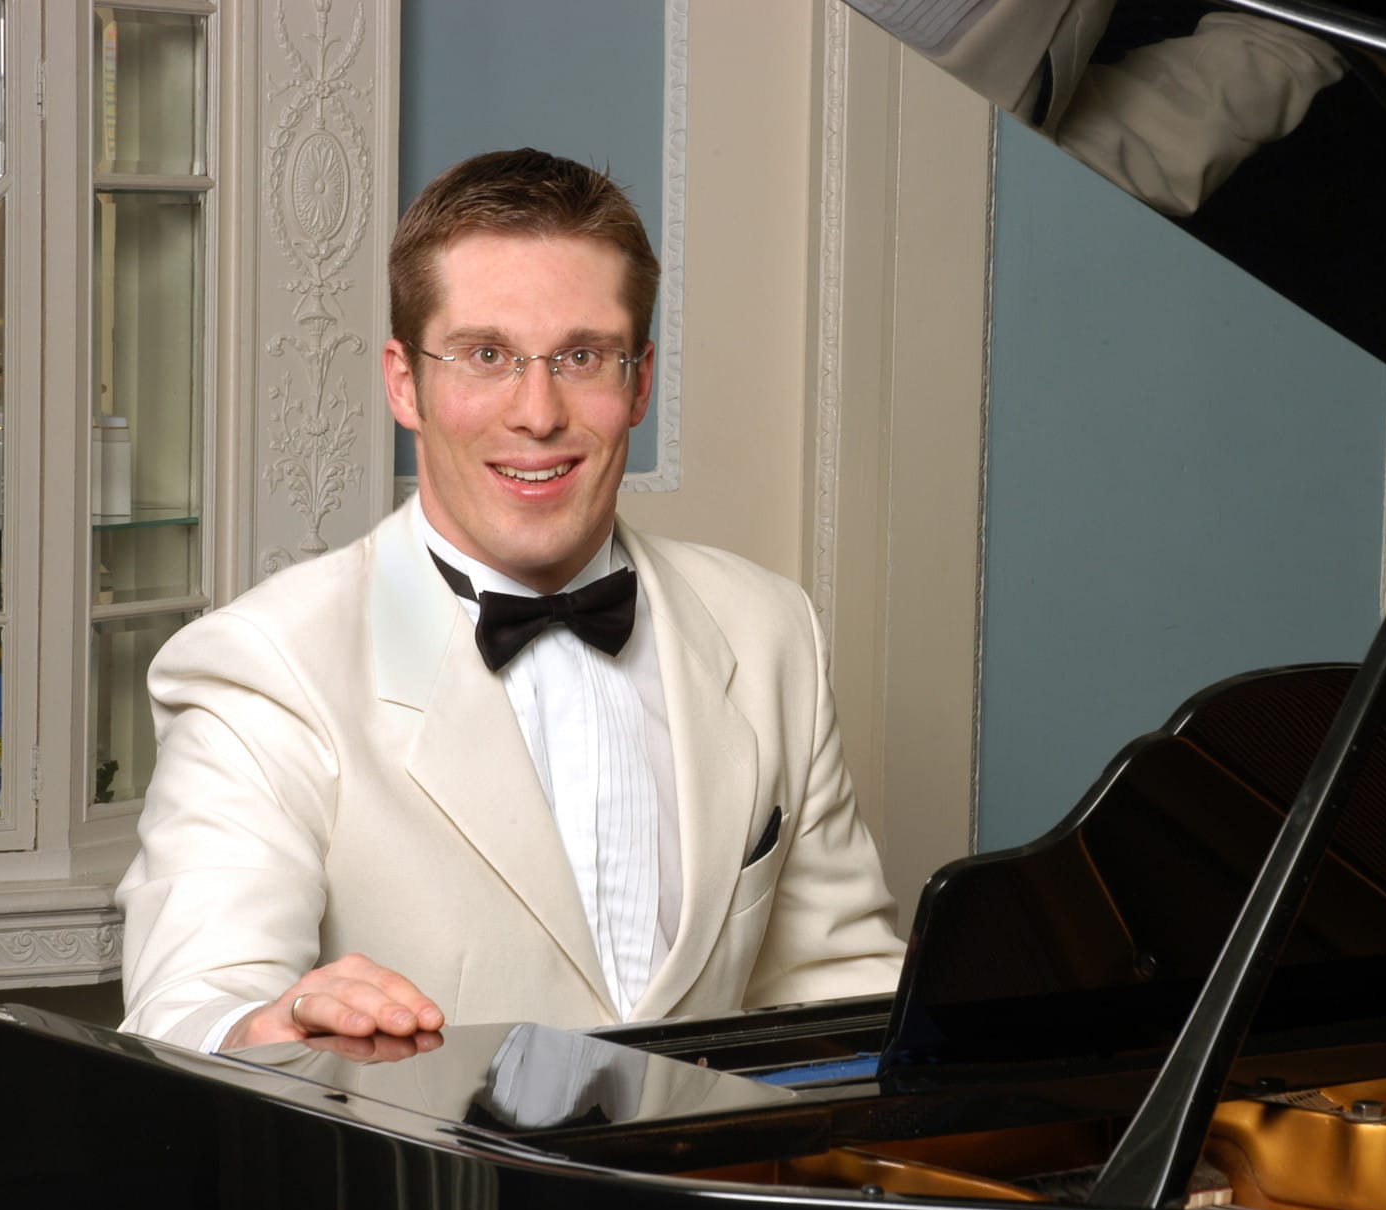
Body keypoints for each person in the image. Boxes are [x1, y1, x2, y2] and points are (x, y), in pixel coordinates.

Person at [116, 149, 905, 1054]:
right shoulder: (265, 666)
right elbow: (189, 1013)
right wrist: (276, 1024)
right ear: (405, 382)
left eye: (581, 356)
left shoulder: (770, 631)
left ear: (639, 380)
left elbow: (843, 991)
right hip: (435, 1199)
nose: (537, 412)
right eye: (485, 355)